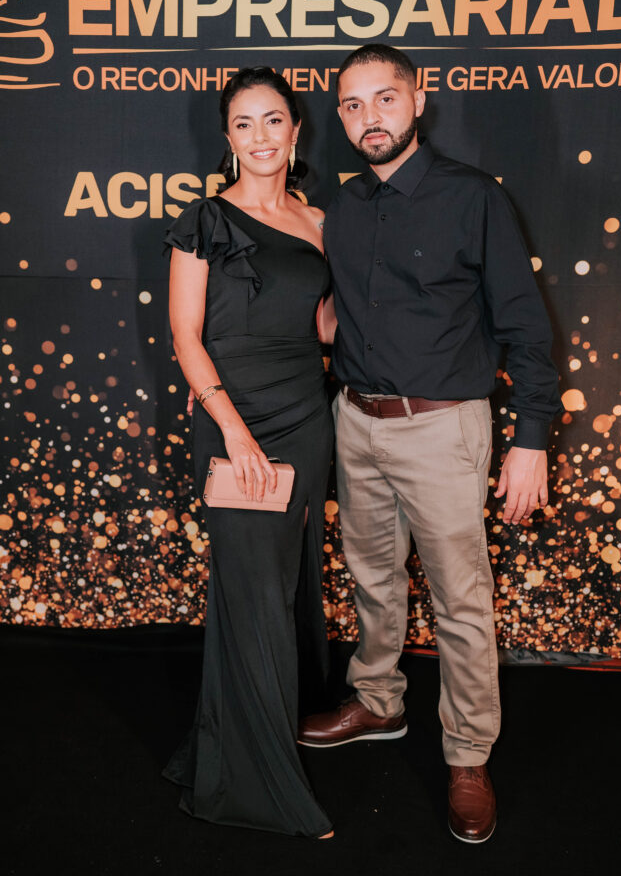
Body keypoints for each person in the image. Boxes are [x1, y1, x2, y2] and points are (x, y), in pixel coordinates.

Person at [298, 44, 561, 843]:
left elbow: (525, 325)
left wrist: (531, 440)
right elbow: (334, 313)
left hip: (444, 428)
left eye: (384, 98)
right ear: (340, 117)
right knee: (373, 579)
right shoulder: (342, 208)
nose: (369, 117)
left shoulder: (472, 197)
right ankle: (379, 702)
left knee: (460, 601)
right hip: (356, 421)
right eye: (352, 105)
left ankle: (469, 754)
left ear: (418, 99)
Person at [162, 66, 335, 839]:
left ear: (295, 131)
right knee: (251, 589)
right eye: (243, 123)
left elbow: (322, 326)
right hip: (235, 420)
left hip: (305, 417)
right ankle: (259, 789)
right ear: (227, 137)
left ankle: (222, 747)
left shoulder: (319, 221)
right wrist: (231, 429)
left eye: (273, 120)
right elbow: (185, 336)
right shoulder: (205, 219)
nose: (260, 136)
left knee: (282, 585)